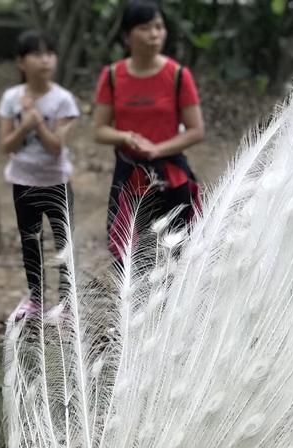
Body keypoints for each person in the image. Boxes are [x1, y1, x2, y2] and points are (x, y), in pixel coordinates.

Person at [94, 1, 205, 261]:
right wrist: (126, 137)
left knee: (178, 253)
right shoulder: (112, 76)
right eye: (145, 28)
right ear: (126, 36)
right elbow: (99, 130)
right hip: (129, 175)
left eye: (159, 27)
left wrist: (157, 149)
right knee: (128, 256)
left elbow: (196, 131)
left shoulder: (178, 75)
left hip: (172, 175)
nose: (155, 34)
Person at [0, 30, 79, 315]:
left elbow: (57, 147)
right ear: (21, 62)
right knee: (30, 240)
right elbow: (6, 144)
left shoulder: (63, 100)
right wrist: (24, 124)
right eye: (36, 54)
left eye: (49, 53)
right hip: (23, 181)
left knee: (63, 241)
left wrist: (37, 122)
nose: (44, 60)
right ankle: (36, 299)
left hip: (56, 181)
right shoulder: (11, 98)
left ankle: (68, 302)